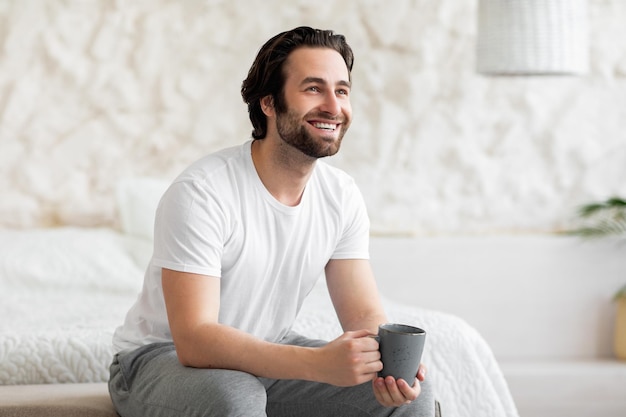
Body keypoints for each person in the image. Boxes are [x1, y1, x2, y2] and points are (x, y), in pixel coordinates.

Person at [109, 26, 436, 417]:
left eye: (343, 90)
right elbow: (194, 340)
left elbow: (364, 317)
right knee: (235, 394)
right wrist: (318, 365)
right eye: (313, 88)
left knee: (411, 392)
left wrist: (388, 368)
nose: (334, 106)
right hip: (161, 360)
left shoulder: (341, 196)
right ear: (268, 102)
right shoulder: (202, 192)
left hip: (269, 351)